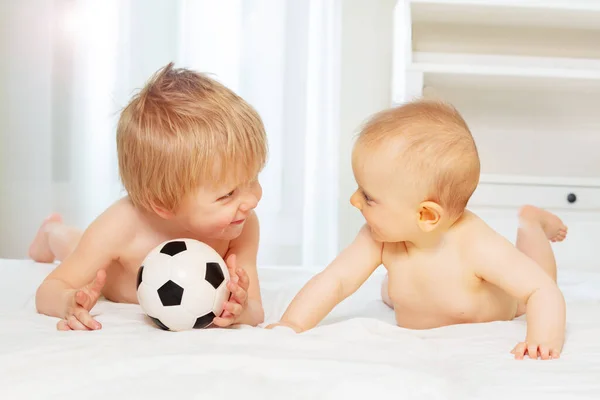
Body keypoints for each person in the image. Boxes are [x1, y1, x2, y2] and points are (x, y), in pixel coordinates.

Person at [268, 99, 567, 360]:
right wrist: (292, 324)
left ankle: (532, 224)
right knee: (390, 288)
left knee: (538, 273)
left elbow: (542, 290)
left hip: (505, 303)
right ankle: (396, 289)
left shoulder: (476, 244)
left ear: (426, 215)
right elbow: (335, 280)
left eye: (369, 196)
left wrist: (542, 339)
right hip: (417, 289)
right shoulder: (380, 237)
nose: (354, 200)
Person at [30, 63, 267, 331]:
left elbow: (256, 310)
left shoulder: (242, 225)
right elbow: (48, 291)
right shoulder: (121, 226)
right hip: (110, 272)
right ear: (164, 204)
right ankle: (50, 231)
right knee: (72, 243)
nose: (252, 200)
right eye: (227, 195)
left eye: (253, 179)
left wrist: (241, 309)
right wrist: (67, 301)